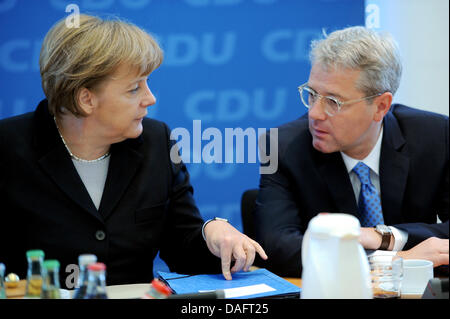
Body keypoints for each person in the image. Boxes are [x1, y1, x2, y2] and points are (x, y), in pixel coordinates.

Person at [0, 14, 267, 288]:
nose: (150, 98)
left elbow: (182, 247)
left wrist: (211, 232)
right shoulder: (7, 148)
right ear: (86, 99)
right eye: (134, 89)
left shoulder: (157, 141)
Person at [254, 26, 449, 277]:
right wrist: (393, 259)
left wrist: (382, 237)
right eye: (312, 94)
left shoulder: (435, 137)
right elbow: (277, 247)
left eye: (333, 102)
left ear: (380, 106)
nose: (314, 113)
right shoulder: (283, 146)